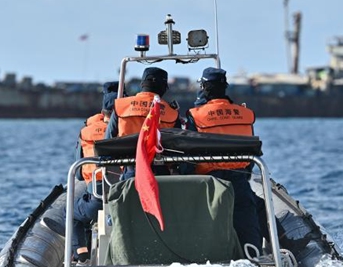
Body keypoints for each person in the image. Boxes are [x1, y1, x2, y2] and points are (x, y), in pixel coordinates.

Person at [186, 67, 263, 251]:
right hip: (239, 182)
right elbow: (250, 151)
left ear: (203, 87)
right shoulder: (245, 115)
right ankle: (255, 258)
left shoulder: (196, 116)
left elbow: (188, 155)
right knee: (249, 225)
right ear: (225, 87)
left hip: (209, 185)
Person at [71, 81, 119, 264]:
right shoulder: (130, 131)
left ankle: (82, 256)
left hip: (99, 195)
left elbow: (79, 173)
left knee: (74, 214)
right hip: (128, 194)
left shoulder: (86, 131)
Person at [105, 66, 181, 179]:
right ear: (164, 87)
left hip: (131, 172)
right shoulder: (172, 113)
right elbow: (178, 148)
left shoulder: (121, 106)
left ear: (142, 84)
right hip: (160, 175)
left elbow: (108, 140)